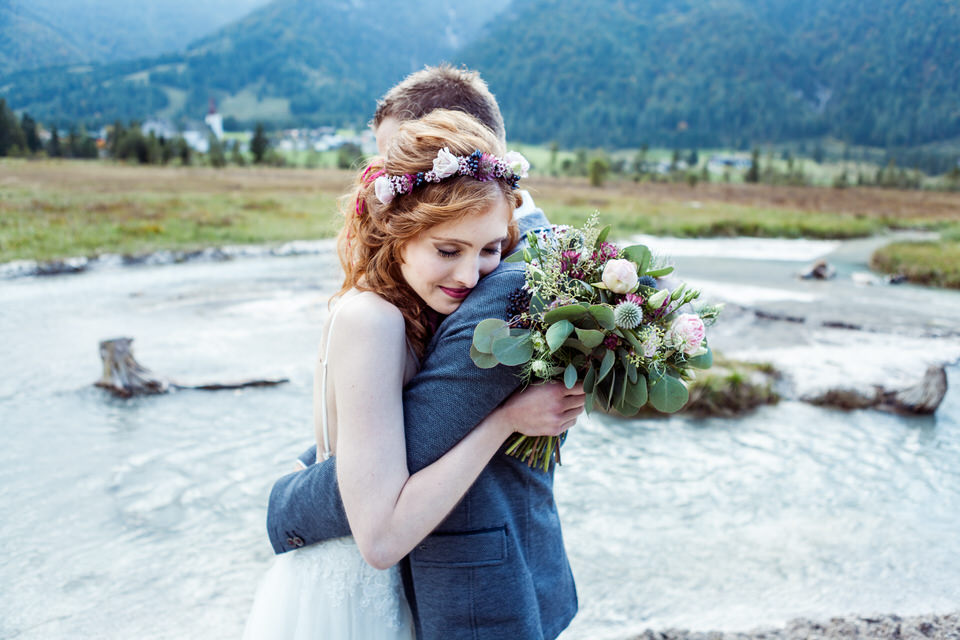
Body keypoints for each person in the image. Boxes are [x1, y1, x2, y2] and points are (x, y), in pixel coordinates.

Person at [244, 109, 584, 639]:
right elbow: (380, 541)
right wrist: (504, 420)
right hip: (349, 592)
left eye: (491, 249)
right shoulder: (371, 319)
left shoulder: (409, 307)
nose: (471, 276)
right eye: (448, 250)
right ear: (396, 234)